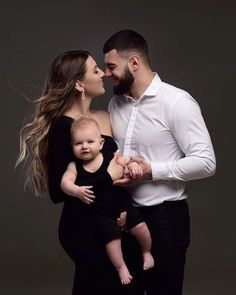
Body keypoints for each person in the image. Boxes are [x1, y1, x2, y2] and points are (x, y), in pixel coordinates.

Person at [102, 29, 216, 295]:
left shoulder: (177, 102)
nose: (107, 74)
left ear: (134, 63)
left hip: (166, 220)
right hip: (124, 216)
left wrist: (151, 171)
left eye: (111, 67)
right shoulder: (115, 104)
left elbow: (206, 162)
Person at [16, 50, 139, 295]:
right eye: (96, 70)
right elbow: (57, 192)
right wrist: (109, 177)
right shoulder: (63, 127)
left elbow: (116, 163)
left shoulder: (105, 117)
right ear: (79, 84)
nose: (104, 73)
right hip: (83, 228)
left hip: (113, 220)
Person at [61, 116, 154, 285]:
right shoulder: (74, 166)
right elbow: (64, 183)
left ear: (101, 143)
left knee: (141, 227)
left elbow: (126, 163)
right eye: (78, 143)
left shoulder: (110, 156)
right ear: (71, 146)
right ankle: (120, 267)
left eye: (90, 141)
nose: (84, 147)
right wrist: (76, 190)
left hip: (122, 205)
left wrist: (132, 166)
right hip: (100, 213)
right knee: (112, 239)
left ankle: (146, 252)